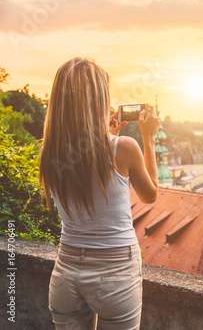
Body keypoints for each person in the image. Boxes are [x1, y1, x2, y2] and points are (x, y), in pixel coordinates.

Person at [39, 57, 160, 329]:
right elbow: (150, 195)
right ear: (97, 101)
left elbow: (85, 159)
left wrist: (103, 133)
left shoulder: (49, 152)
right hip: (115, 272)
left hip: (66, 272)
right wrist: (148, 138)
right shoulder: (125, 147)